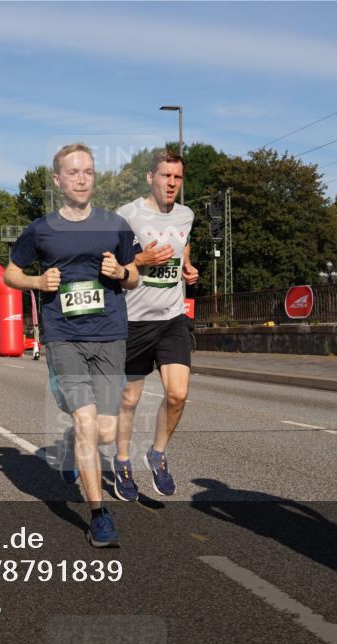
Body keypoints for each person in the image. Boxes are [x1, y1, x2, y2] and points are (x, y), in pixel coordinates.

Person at [5, 143, 139, 547]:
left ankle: (69, 444)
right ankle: (99, 514)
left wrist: (122, 270)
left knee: (106, 429)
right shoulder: (41, 229)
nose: (82, 179)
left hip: (110, 333)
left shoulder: (115, 224)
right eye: (74, 172)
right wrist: (35, 281)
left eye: (89, 172)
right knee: (85, 422)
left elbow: (134, 276)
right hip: (64, 335)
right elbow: (11, 272)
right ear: (58, 180)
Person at [113, 150, 199, 501]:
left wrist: (186, 268)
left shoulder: (186, 215)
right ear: (151, 177)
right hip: (134, 321)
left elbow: (183, 247)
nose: (172, 183)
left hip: (172, 318)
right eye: (166, 176)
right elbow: (112, 265)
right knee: (129, 399)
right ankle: (121, 462)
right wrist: (139, 259)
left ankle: (157, 453)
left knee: (178, 394)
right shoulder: (127, 215)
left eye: (177, 178)